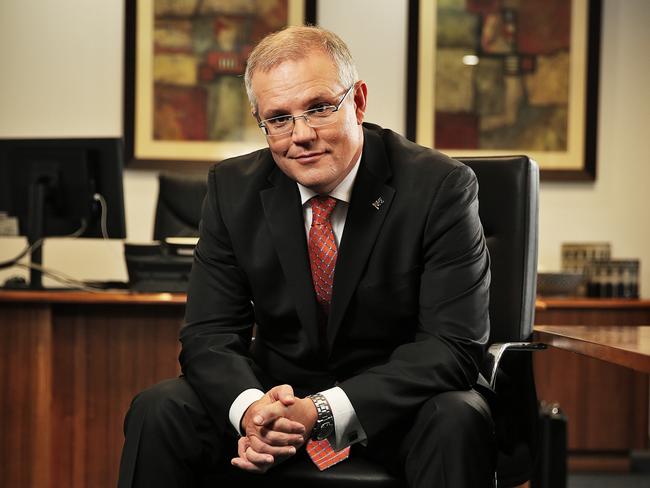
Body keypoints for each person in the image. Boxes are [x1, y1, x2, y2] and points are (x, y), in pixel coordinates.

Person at [118, 25, 495, 488]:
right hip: (277, 398)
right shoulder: (232, 190)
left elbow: (452, 347)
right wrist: (253, 410)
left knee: (457, 417)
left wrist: (321, 411)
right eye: (278, 118)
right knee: (159, 410)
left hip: (397, 409)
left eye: (318, 109)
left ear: (357, 101)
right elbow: (209, 334)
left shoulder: (440, 187)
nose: (300, 135)